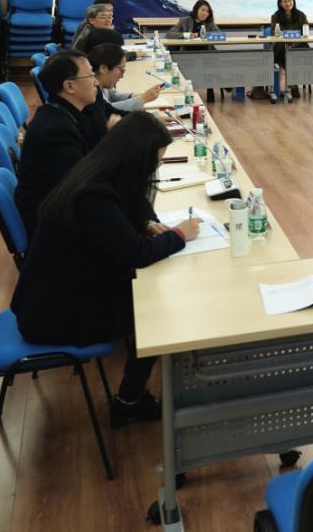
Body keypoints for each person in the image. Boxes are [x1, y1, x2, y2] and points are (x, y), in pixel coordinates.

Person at [11, 112, 201, 428]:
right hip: (53, 314)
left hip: (62, 290)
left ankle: (135, 395)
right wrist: (180, 234)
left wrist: (145, 223)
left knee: (154, 300)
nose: (154, 170)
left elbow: (128, 209)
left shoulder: (97, 172)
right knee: (156, 313)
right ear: (136, 158)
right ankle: (130, 401)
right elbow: (137, 254)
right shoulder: (93, 195)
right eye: (154, 162)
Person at [14, 50, 108, 236]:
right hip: (57, 229)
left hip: (67, 208)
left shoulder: (69, 112)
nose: (96, 82)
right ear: (69, 86)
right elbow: (85, 189)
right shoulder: (55, 132)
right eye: (91, 76)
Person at [168, 0, 220, 102]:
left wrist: (205, 35)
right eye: (203, 10)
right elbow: (170, 34)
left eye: (207, 11)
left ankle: (211, 89)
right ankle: (187, 93)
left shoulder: (209, 23)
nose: (205, 13)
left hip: (206, 53)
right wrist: (187, 35)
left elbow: (219, 34)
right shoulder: (184, 21)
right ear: (196, 10)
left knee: (212, 64)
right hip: (187, 53)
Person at [88, 42, 161, 113]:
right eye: (120, 70)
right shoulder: (89, 91)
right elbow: (106, 110)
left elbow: (112, 94)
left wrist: (134, 96)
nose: (122, 76)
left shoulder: (103, 84)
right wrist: (143, 98)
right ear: (103, 68)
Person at [262, 0, 308, 103]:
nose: (288, 3)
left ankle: (292, 83)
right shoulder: (275, 16)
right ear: (280, 3)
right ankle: (292, 84)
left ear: (293, 1)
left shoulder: (301, 15)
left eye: (290, 1)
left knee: (303, 52)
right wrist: (288, 36)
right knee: (285, 52)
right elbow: (275, 32)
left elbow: (305, 30)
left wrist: (293, 38)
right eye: (285, 1)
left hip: (298, 44)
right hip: (281, 45)